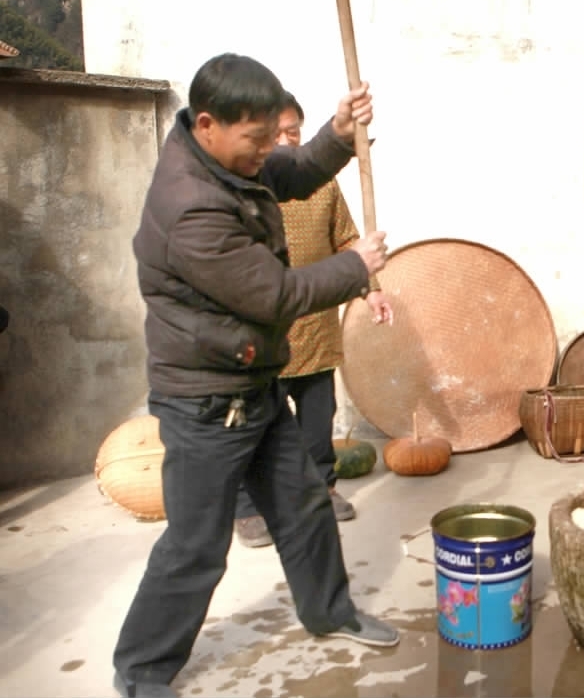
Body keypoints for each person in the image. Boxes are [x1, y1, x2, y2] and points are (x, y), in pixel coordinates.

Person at [113, 53, 399, 698]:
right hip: (205, 399)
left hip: (253, 382)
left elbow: (293, 171)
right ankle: (142, 670)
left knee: (304, 508)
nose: (267, 150)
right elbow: (272, 295)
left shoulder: (227, 158)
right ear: (209, 123)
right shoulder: (191, 205)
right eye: (257, 139)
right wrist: (354, 266)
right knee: (196, 546)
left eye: (273, 135)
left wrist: (336, 131)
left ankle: (331, 613)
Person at [233, 90, 393, 548]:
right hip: (267, 334)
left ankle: (321, 489)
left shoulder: (321, 185)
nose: (287, 140)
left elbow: (348, 243)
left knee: (316, 422)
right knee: (256, 427)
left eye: (294, 132)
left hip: (318, 329)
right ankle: (248, 508)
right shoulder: (248, 189)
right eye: (277, 133)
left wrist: (371, 290)